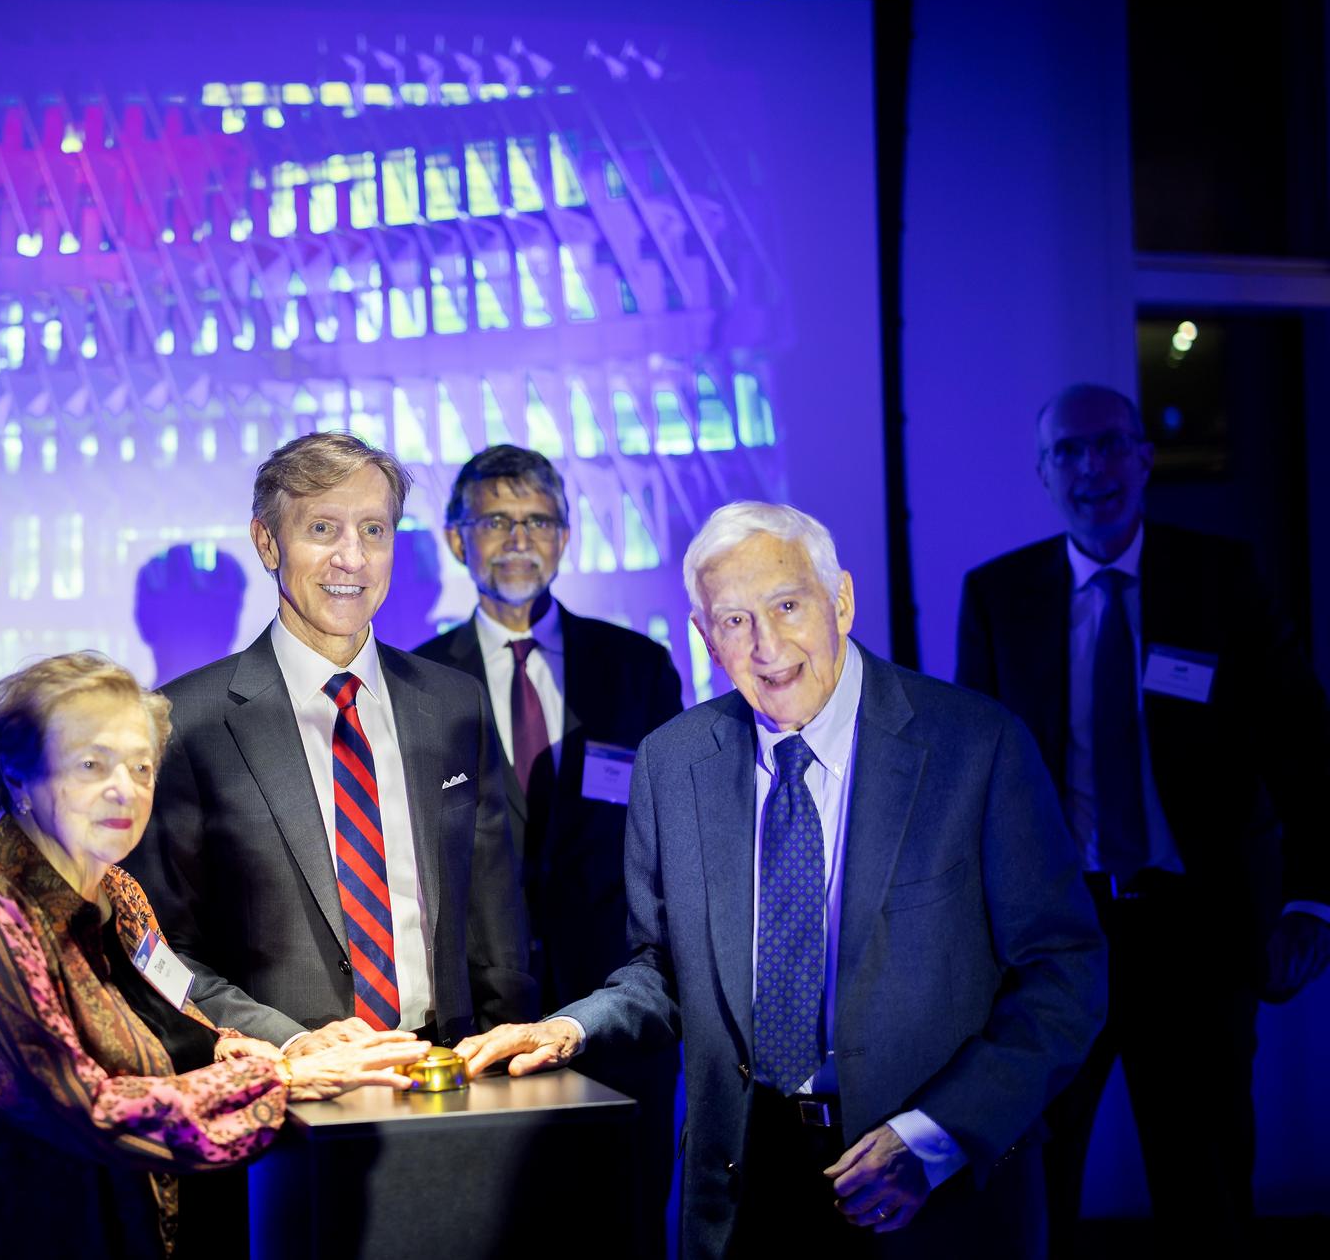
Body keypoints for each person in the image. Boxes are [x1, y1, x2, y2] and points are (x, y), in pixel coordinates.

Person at [459, 500, 1107, 1259]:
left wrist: (934, 1136)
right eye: (732, 621)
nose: (766, 646)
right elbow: (663, 968)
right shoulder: (674, 762)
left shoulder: (976, 745)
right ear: (703, 637)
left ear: (842, 599)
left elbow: (1066, 973)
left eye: (787, 605)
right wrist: (573, 1026)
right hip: (745, 1182)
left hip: (929, 1186)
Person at [956, 383, 1330, 1253]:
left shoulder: (1223, 580)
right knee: (1034, 1186)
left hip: (1195, 935)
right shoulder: (999, 596)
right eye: (1070, 452)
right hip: (1054, 939)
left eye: (1112, 445)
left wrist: (1313, 899)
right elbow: (970, 789)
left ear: (1146, 457)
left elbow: (1305, 747)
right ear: (1044, 474)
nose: (1094, 468)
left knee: (1204, 1187)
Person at [0, 652, 426, 1259]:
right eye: (92, 764)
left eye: (142, 767)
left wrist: (266, 1046)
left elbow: (171, 1016)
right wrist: (278, 1078)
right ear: (20, 778)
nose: (125, 788)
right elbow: (79, 1106)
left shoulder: (118, 891)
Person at [124, 431, 536, 1054]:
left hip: (450, 1073)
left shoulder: (454, 703)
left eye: (374, 531)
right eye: (322, 529)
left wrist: (505, 1061)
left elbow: (495, 922)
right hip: (283, 1093)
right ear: (268, 543)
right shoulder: (187, 722)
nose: (353, 558)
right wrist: (288, 1045)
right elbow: (161, 947)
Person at [414, 444, 683, 1008]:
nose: (519, 540)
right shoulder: (412, 680)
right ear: (458, 540)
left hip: (619, 998)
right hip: (477, 1007)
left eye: (538, 521)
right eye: (495, 522)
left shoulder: (638, 668)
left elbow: (676, 836)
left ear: (563, 538)